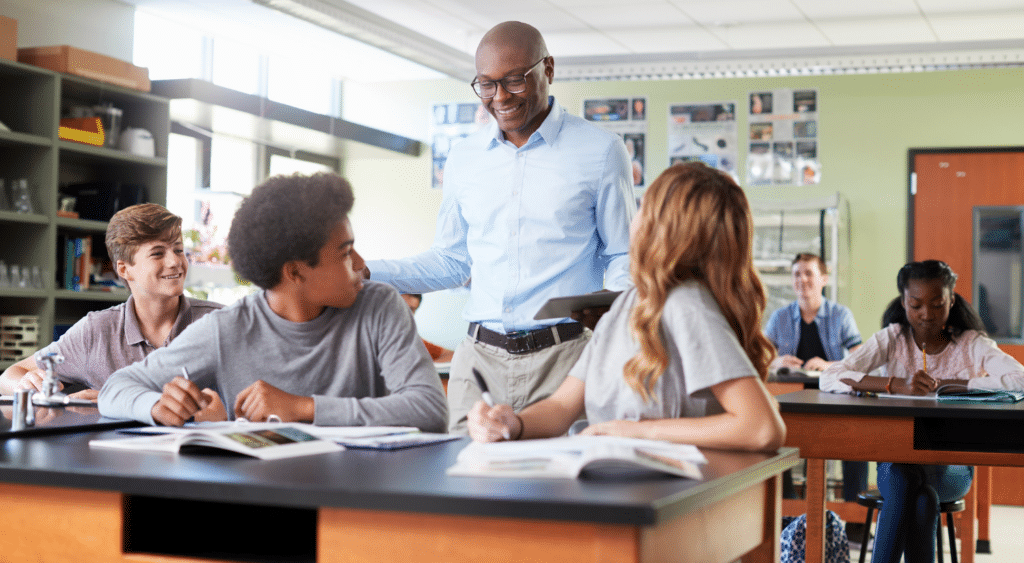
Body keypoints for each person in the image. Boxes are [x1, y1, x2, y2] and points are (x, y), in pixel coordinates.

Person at [364, 21, 635, 434]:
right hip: (478, 363)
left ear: (548, 69)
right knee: (462, 488)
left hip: (565, 359)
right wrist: (368, 272)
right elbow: (452, 261)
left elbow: (623, 254)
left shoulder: (600, 151)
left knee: (562, 491)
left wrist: (612, 317)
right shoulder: (464, 157)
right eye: (486, 85)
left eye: (513, 81)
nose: (500, 98)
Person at [467, 162, 786, 453]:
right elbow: (561, 408)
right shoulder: (629, 304)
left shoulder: (686, 303)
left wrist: (635, 432)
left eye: (642, 206)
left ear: (664, 229)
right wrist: (513, 423)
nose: (634, 217)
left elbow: (760, 427)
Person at [98, 173, 448, 431]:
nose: (360, 263)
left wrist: (303, 407)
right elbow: (116, 388)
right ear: (295, 272)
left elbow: (429, 408)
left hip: (356, 499)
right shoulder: (228, 329)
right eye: (344, 253)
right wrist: (156, 405)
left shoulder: (379, 305)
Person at [820, 260, 1024, 563]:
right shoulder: (893, 338)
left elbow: (1020, 378)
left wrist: (949, 384)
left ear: (951, 300)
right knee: (920, 496)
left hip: (952, 468)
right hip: (897, 460)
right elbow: (830, 375)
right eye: (915, 304)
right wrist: (894, 384)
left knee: (912, 485)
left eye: (937, 304)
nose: (926, 314)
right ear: (904, 302)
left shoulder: (970, 344)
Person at [0, 204, 222, 406]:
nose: (175, 262)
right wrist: (29, 384)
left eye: (178, 250)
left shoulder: (219, 323)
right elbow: (9, 376)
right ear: (125, 269)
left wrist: (118, 399)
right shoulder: (96, 331)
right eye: (157, 253)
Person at [765, 253, 866, 509]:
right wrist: (776, 362)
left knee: (857, 443)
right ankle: (787, 512)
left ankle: (854, 515)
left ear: (824, 278)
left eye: (809, 273)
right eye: (797, 274)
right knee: (774, 442)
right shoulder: (780, 318)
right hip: (789, 401)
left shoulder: (840, 315)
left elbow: (861, 358)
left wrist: (829, 365)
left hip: (834, 400)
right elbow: (759, 357)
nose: (802, 279)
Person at [400, 293, 454, 363]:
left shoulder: (411, 340)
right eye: (401, 307)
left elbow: (451, 355)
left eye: (411, 309)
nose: (405, 313)